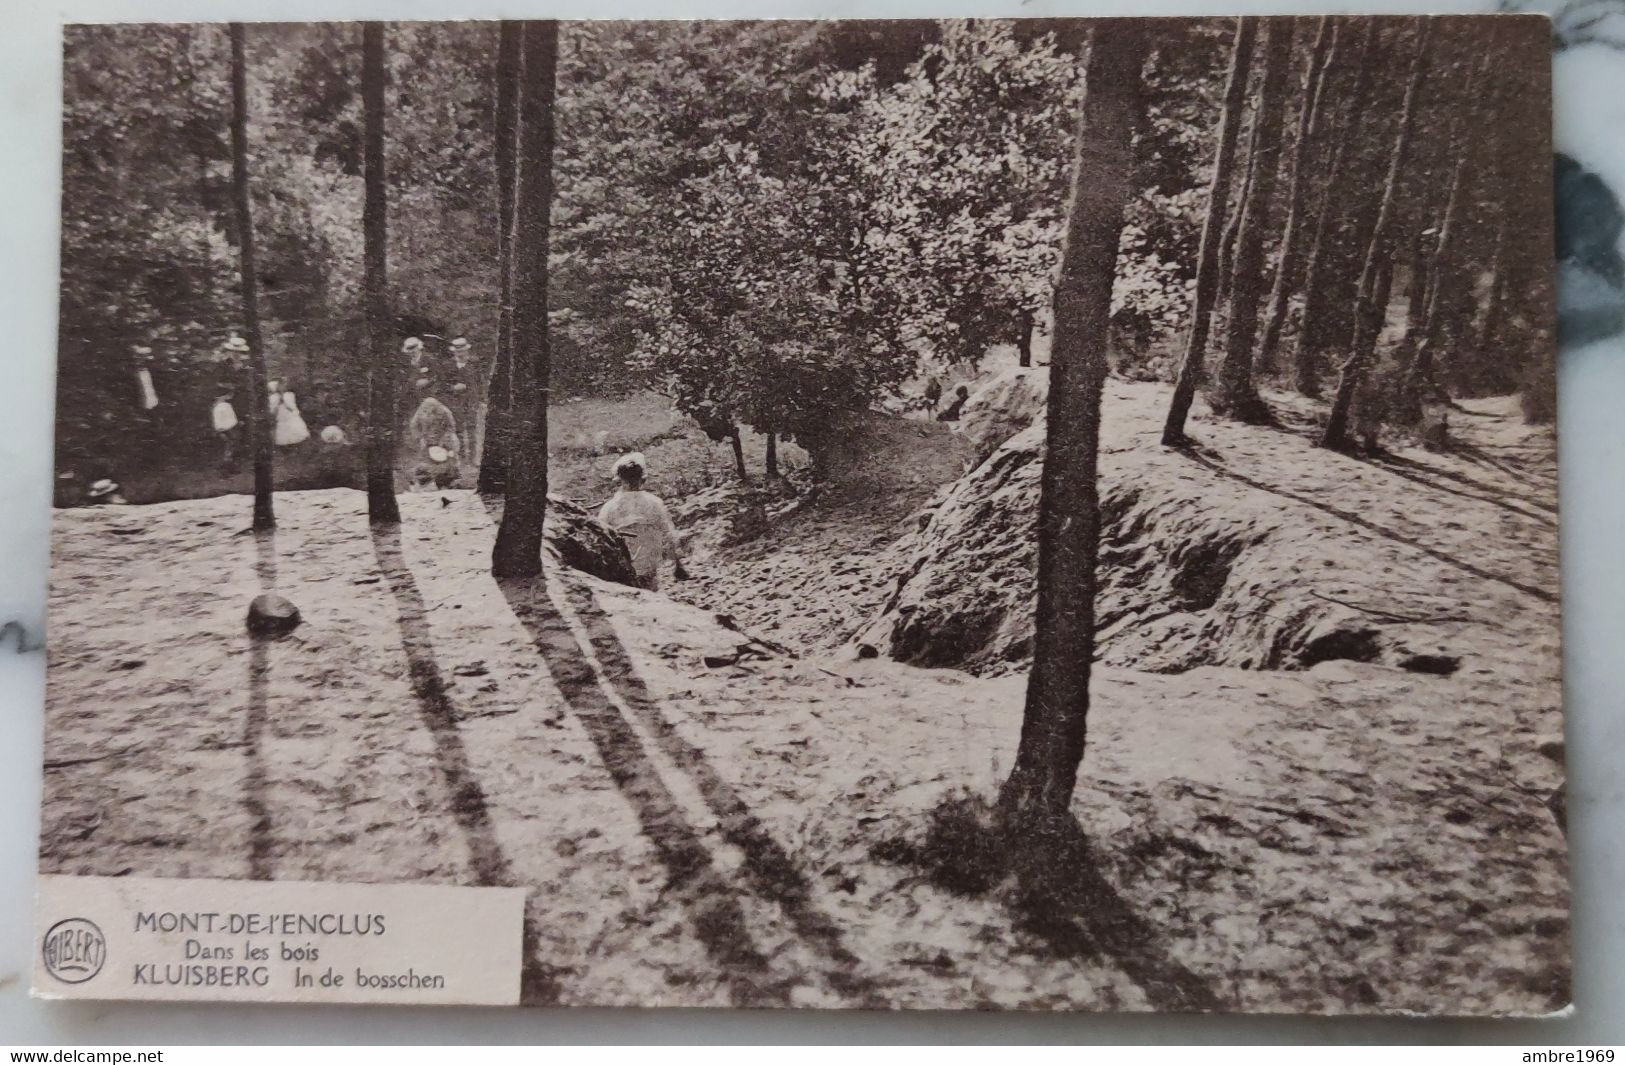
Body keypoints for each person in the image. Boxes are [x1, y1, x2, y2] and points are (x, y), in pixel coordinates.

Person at [598, 452, 684, 591]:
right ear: (642, 480)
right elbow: (669, 533)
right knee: (649, 595)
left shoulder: (610, 507)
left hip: (623, 566)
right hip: (648, 564)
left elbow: (601, 536)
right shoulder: (654, 503)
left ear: (620, 481)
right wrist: (678, 562)